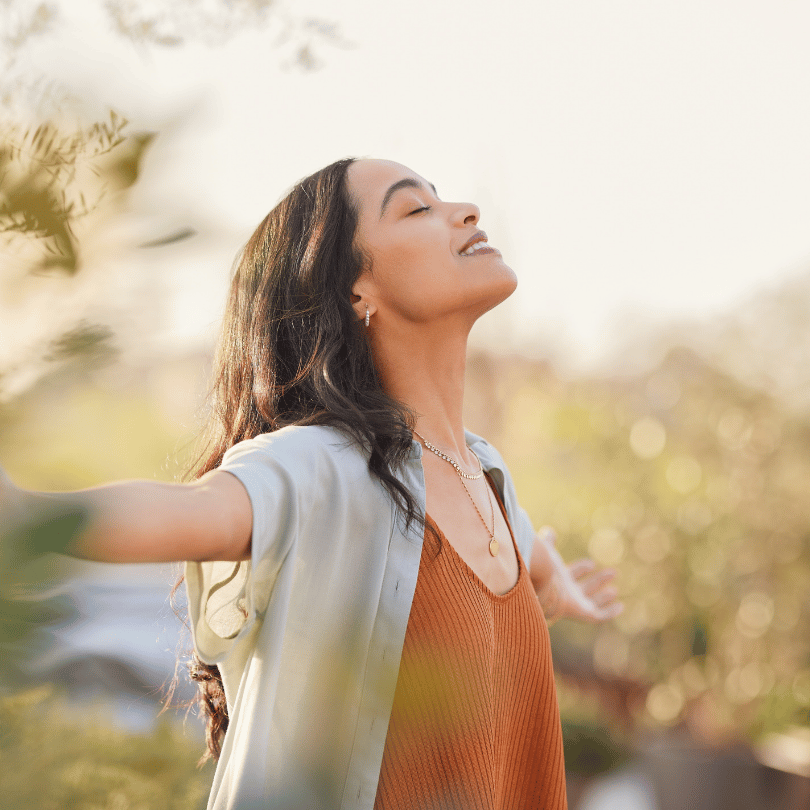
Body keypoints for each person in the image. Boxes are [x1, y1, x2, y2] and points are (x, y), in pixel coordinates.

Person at [1, 157, 622, 810]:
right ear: (358, 291)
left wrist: (549, 576)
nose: (464, 211)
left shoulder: (487, 479)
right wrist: (24, 515)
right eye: (416, 209)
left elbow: (513, 557)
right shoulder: (327, 467)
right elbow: (197, 509)